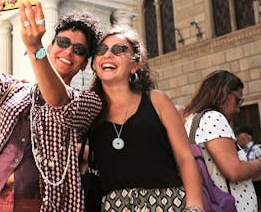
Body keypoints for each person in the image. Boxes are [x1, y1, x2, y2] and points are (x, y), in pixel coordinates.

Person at [0, 0, 103, 211]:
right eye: (63, 43)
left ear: (85, 63)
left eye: (79, 50)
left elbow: (58, 101)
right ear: (51, 46)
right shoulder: (15, 88)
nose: (68, 52)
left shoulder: (87, 101)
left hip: (35, 203)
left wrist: (35, 49)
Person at [87, 25, 204, 211]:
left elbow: (185, 157)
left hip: (168, 203)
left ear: (135, 65)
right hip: (115, 207)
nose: (108, 54)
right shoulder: (90, 109)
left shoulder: (157, 100)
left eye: (119, 49)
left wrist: (195, 207)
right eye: (101, 50)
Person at [183, 70, 261, 211]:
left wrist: (254, 171)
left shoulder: (192, 119)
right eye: (238, 100)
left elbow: (218, 173)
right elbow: (234, 171)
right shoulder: (213, 117)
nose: (238, 109)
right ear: (223, 93)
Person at [236, 126, 261, 207]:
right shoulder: (242, 151)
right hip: (249, 187)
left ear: (245, 136)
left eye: (238, 135)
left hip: (260, 187)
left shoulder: (257, 148)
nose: (236, 138)